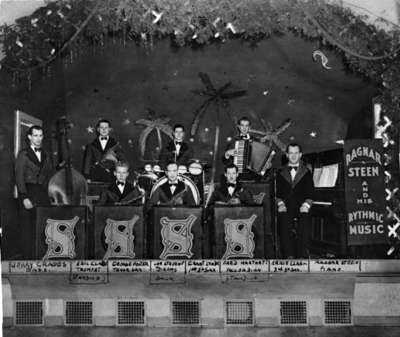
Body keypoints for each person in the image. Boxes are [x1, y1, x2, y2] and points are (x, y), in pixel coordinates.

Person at [15, 125, 54, 258]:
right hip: (27, 192)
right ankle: (27, 260)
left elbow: (49, 175)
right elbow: (19, 177)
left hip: (42, 194)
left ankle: (41, 258)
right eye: (35, 135)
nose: (38, 139)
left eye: (40, 135)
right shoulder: (23, 154)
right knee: (27, 229)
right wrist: (24, 197)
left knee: (43, 227)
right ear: (29, 137)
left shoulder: (46, 154)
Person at [276, 143, 314, 258]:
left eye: (296, 153)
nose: (293, 156)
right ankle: (289, 255)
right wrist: (280, 203)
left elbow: (311, 192)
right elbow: (276, 193)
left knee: (304, 221)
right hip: (286, 206)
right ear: (287, 155)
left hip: (301, 206)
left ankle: (302, 254)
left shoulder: (306, 172)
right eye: (291, 153)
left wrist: (306, 205)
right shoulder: (279, 172)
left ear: (300, 155)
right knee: (283, 222)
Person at [223, 116, 260, 181]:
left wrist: (266, 165)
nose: (244, 128)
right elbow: (225, 162)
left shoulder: (256, 141)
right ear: (239, 127)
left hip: (254, 177)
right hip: (238, 177)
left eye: (247, 125)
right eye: (242, 125)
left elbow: (261, 160)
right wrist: (227, 154)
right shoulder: (233, 141)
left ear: (249, 127)